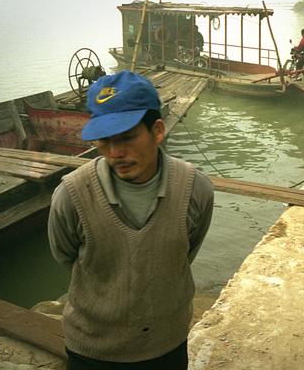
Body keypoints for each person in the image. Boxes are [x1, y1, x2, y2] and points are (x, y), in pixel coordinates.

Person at [48, 70, 214, 369]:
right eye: (104, 140)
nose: (115, 153)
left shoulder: (195, 189)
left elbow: (182, 254)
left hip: (167, 345)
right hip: (93, 349)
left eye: (128, 137)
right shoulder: (71, 195)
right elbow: (66, 256)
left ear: (158, 130)